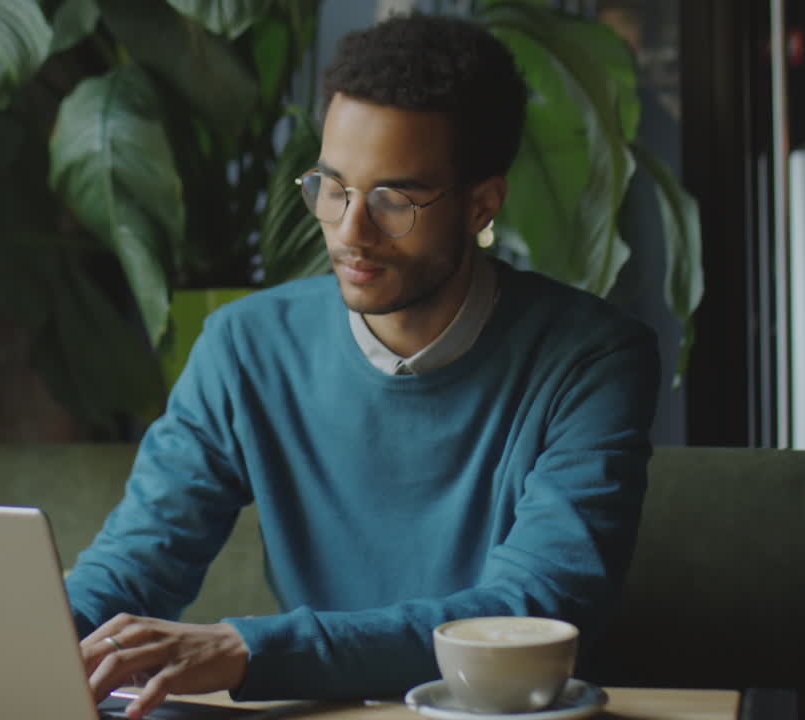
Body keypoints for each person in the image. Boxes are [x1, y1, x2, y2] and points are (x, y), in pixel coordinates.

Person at [65, 11, 660, 718]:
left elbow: (534, 609)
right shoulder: (245, 347)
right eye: (332, 186)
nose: (350, 232)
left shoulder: (590, 360)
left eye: (393, 199)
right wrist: (26, 640)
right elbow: (133, 567)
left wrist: (250, 650)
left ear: (481, 204)